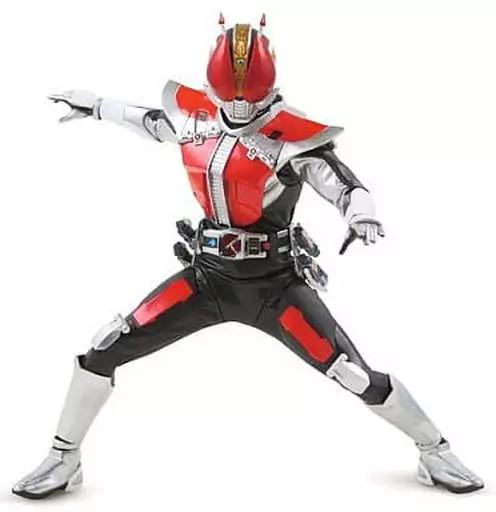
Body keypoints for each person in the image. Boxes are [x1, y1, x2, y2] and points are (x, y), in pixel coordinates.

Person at [13, 15, 483, 499]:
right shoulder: (195, 119)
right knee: (106, 346)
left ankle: (435, 449)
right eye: (228, 96)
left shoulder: (292, 137)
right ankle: (64, 457)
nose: (238, 107)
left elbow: (342, 183)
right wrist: (96, 105)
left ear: (269, 90)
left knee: (352, 372)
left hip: (275, 288)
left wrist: (361, 215)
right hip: (206, 279)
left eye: (250, 99)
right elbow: (149, 121)